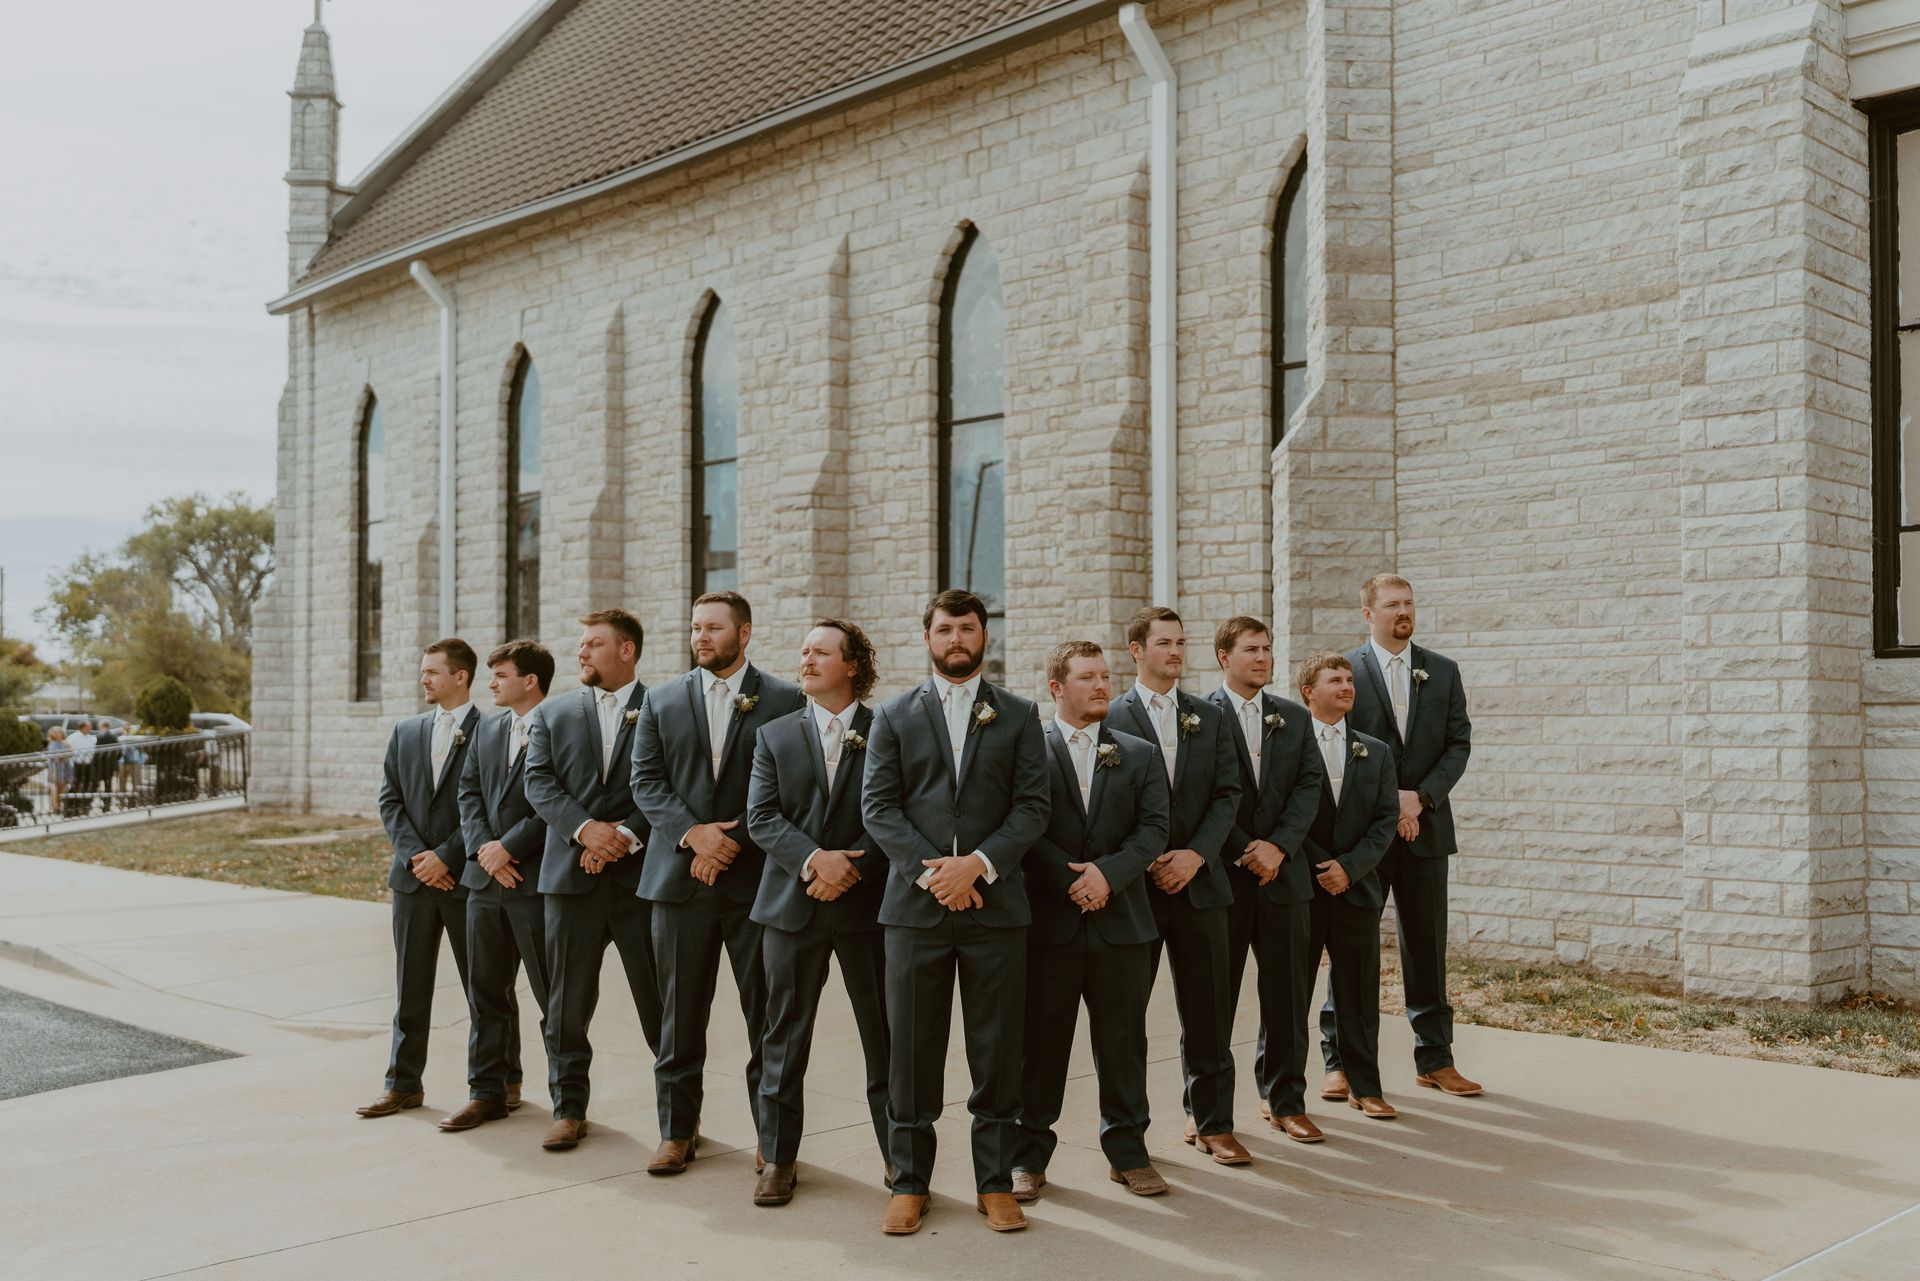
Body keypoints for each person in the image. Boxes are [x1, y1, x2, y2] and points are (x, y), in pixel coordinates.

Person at [862, 589, 1049, 1237]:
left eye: (967, 628)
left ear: (984, 636)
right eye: (945, 629)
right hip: (915, 912)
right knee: (911, 1049)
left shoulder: (1020, 714)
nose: (957, 639)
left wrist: (979, 865)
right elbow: (880, 807)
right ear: (928, 638)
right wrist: (936, 873)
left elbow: (1033, 805)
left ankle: (994, 1181)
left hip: (996, 909)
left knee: (997, 1047)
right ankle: (911, 1181)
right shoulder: (892, 715)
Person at [631, 591, 804, 1175]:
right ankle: (677, 1132)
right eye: (695, 628)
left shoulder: (784, 699)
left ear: (745, 632)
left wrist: (728, 846)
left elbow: (793, 790)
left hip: (756, 884)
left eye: (713, 628)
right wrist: (693, 836)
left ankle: (771, 1139)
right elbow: (646, 782)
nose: (700, 637)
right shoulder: (659, 699)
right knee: (678, 1018)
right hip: (677, 884)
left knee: (767, 1018)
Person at [1013, 641, 1170, 1201]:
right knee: (1041, 1046)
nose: (1103, 685)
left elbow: (1154, 829)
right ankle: (1027, 1156)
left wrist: (1108, 876)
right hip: (1049, 928)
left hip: (1122, 923)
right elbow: (1021, 825)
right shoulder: (1027, 747)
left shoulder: (1139, 752)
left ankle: (1128, 1152)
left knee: (1124, 1044)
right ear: (1057, 687)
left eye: (1106, 676)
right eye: (1088, 677)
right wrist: (1068, 879)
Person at [743, 619, 890, 1206]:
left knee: (885, 1038)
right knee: (782, 1038)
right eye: (803, 651)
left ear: (852, 666)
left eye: (821, 652)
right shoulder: (774, 735)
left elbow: (898, 813)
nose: (806, 660)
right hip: (790, 908)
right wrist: (814, 863)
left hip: (868, 908)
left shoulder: (888, 731)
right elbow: (762, 817)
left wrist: (850, 870)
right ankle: (777, 1158)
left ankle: (898, 1154)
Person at [1328, 573, 1480, 1097]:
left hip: (1427, 830)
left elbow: (1458, 744)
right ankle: (1339, 1060)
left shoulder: (1442, 670)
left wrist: (1422, 797)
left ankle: (1435, 1058)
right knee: (1351, 945)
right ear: (1368, 613)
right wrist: (1390, 802)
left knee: (1426, 944)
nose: (1403, 612)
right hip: (1363, 835)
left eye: (1409, 603)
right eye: (1392, 605)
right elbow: (1337, 742)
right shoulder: (1345, 672)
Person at [1107, 607, 1247, 1163]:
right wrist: (1139, 862)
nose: (1176, 652)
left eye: (1181, 643)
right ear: (1136, 650)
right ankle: (1128, 1137)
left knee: (1209, 1012)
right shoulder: (1109, 716)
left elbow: (1227, 794)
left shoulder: (1208, 717)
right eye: (1164, 643)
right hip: (1134, 894)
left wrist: (1195, 855)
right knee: (1126, 1021)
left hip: (1200, 885)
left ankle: (1213, 1122)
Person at [522, 609, 662, 1152]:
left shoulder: (664, 708)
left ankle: (678, 1120)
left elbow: (670, 783)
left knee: (660, 1004)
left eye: (593, 644)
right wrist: (585, 831)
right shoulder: (553, 715)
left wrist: (624, 837)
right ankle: (568, 1108)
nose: (580, 653)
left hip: (640, 880)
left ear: (626, 650)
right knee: (565, 1004)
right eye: (581, 645)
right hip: (569, 878)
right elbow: (539, 782)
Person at [1207, 617, 1327, 1143]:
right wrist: (1243, 849)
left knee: (1287, 997)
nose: (1262, 657)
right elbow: (1200, 795)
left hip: (1285, 877)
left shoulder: (1294, 718)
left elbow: (1309, 787)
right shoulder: (1199, 717)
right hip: (1221, 883)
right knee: (1211, 1002)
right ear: (1223, 656)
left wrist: (1277, 847)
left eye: (1267, 649)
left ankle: (1285, 1101)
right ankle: (1204, 1109)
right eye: (1251, 649)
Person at [359, 639, 480, 1119]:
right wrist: (416, 858)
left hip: (466, 881)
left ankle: (496, 1083)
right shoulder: (405, 731)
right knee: (410, 986)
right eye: (423, 671)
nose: (423, 679)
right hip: (412, 882)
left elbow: (489, 804)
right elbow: (390, 801)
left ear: (461, 676)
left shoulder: (490, 731)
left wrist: (447, 857)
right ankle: (403, 1083)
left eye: (432, 671)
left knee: (485, 988)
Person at [441, 640, 555, 1132]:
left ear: (530, 681)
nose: (491, 684)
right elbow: (468, 793)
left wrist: (510, 847)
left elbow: (557, 799)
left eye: (501, 675)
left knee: (554, 998)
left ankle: (567, 1104)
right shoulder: (486, 730)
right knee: (485, 991)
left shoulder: (562, 725)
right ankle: (487, 1091)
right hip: (484, 881)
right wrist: (486, 849)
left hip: (535, 880)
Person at [1295, 651, 1401, 1120]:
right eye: (1334, 679)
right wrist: (1323, 866)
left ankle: (1365, 1084)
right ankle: (1279, 1092)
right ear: (1308, 692)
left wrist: (1351, 867)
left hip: (1357, 888)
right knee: (1289, 992)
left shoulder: (1374, 751)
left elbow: (1384, 821)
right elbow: (1283, 815)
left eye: (1349, 679)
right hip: (1300, 888)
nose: (1346, 686)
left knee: (1358, 991)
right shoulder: (1289, 747)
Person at [67, 722, 96, 814]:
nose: (89, 729)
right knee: (75, 784)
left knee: (87, 783)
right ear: (83, 727)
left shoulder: (91, 738)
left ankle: (83, 804)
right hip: (77, 764)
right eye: (88, 727)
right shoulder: (73, 737)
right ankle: (71, 804)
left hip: (88, 764)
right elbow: (69, 749)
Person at [93, 721, 120, 812]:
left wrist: (95, 764)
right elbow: (119, 751)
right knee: (108, 784)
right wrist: (115, 760)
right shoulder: (114, 737)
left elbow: (96, 752)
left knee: (100, 784)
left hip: (101, 765)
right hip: (111, 765)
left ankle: (103, 802)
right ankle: (107, 803)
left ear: (103, 727)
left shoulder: (99, 737)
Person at [45, 727, 72, 816]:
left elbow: (70, 753)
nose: (57, 734)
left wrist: (64, 753)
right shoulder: (52, 744)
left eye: (59, 733)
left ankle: (59, 805)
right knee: (54, 786)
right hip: (55, 768)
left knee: (62, 786)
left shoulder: (66, 743)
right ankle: (55, 807)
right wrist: (63, 755)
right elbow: (55, 756)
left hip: (64, 767)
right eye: (55, 733)